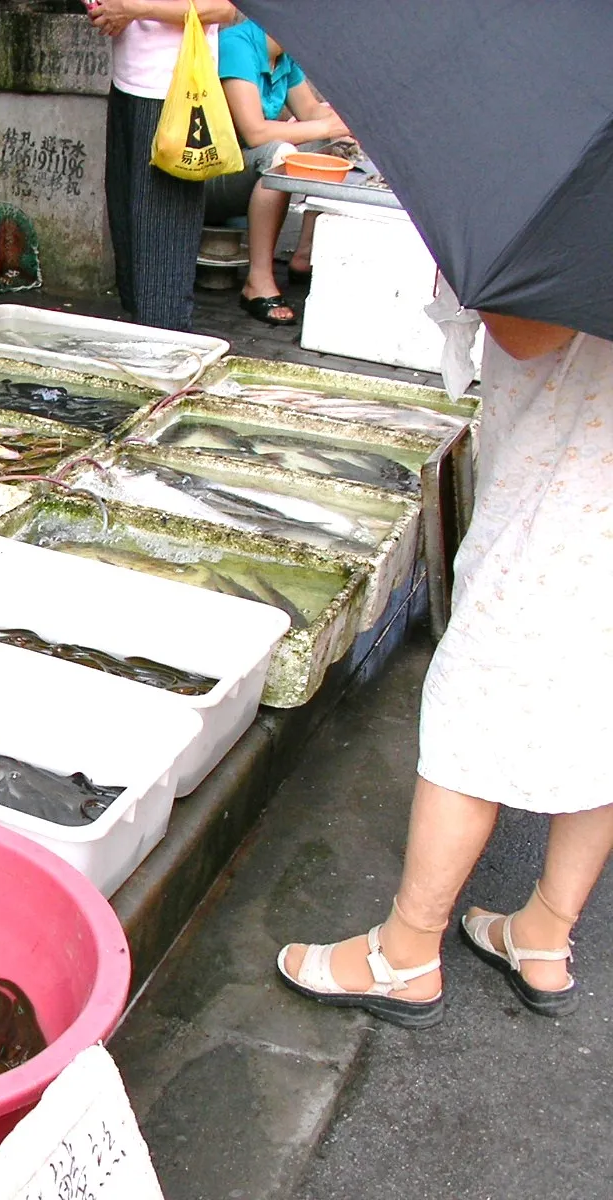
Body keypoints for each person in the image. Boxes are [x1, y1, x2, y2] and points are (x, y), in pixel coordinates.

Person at [278, 315, 613, 1026]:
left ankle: (405, 954)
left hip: (564, 510)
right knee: (602, 713)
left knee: (472, 713)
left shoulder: (582, 220)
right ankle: (544, 934)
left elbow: (531, 332)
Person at [89, 0, 240, 333]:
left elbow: (221, 8)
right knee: (128, 231)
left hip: (174, 91)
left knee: (162, 239)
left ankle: (165, 345)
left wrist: (131, 9)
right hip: (127, 83)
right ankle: (144, 338)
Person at [205, 17, 350, 326]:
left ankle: (304, 255)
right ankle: (257, 281)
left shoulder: (284, 53)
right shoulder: (238, 45)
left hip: (243, 172)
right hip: (208, 179)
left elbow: (311, 113)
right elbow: (254, 132)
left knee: (329, 143)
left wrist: (354, 118)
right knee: (280, 153)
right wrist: (326, 124)